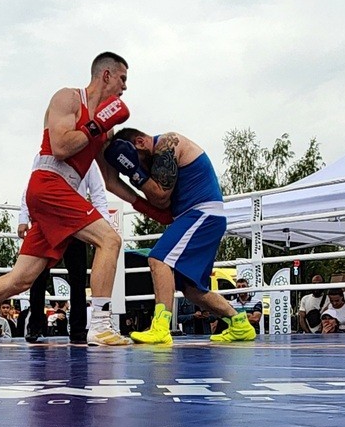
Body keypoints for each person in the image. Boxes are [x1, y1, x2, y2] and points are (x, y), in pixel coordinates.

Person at [0, 52, 136, 347]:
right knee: (109, 240)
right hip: (48, 184)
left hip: (60, 194)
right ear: (106, 75)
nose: (124, 87)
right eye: (122, 79)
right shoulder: (68, 98)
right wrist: (96, 124)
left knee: (22, 278)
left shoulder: (103, 125)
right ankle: (100, 325)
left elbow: (106, 179)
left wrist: (146, 204)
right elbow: (59, 146)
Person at [101, 127, 256, 344]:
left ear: (140, 142)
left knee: (158, 259)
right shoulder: (152, 155)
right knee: (192, 289)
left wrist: (134, 171)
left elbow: (161, 197)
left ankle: (161, 328)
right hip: (194, 216)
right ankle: (240, 324)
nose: (143, 167)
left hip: (202, 212)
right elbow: (111, 183)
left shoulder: (168, 143)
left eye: (138, 160)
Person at [19, 162, 109, 344]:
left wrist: (104, 230)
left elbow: (98, 192)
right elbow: (31, 187)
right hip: (47, 220)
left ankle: (77, 329)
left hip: (75, 222)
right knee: (37, 274)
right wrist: (23, 217)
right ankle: (35, 325)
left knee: (78, 277)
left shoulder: (88, 160)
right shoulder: (44, 155)